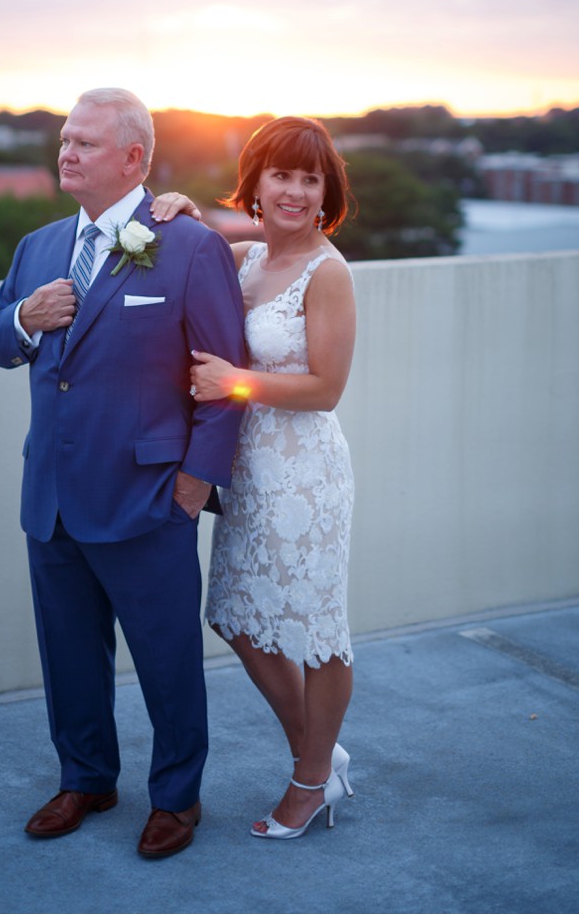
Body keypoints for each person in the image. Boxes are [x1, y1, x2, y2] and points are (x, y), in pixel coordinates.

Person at [0, 88, 246, 860]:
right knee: (66, 654)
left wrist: (195, 484)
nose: (67, 152)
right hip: (52, 497)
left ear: (134, 158)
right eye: (65, 139)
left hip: (149, 498)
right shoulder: (37, 247)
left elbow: (226, 379)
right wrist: (26, 317)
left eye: (86, 143)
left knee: (166, 661)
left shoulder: (188, 245)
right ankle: (86, 776)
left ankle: (176, 796)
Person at [152, 115, 357, 841]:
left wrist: (236, 382)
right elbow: (193, 243)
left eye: (311, 177)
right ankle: (321, 754)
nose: (297, 190)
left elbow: (326, 387)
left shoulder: (326, 272)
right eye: (282, 174)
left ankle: (308, 781)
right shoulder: (242, 257)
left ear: (326, 188)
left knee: (317, 632)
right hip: (247, 472)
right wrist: (175, 207)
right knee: (237, 616)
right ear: (258, 183)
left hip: (305, 473)